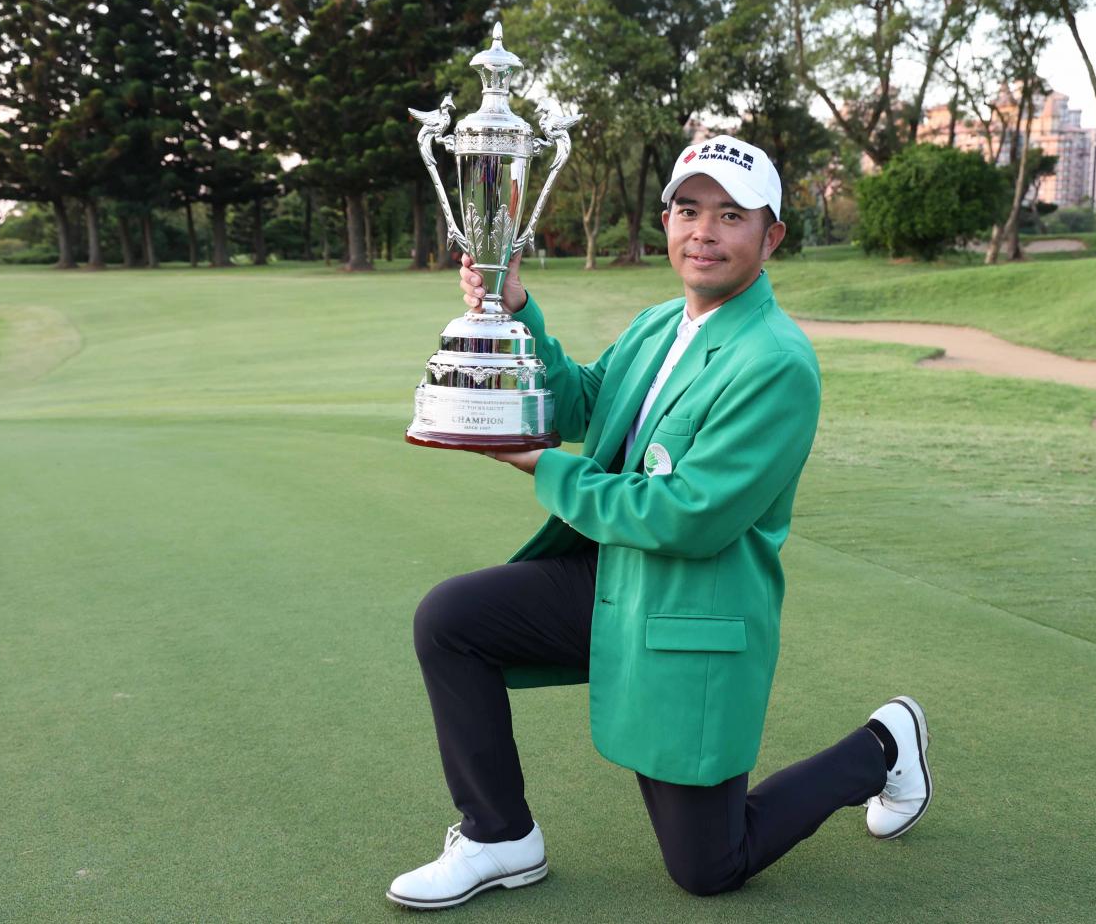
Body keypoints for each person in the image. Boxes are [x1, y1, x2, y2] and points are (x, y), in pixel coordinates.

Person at [387, 135, 933, 910]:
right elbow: (581, 403)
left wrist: (540, 465)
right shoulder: (656, 325)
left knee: (709, 867)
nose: (703, 232)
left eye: (730, 216)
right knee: (451, 619)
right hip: (612, 578)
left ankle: (883, 745)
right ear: (668, 222)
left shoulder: (776, 362)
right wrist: (517, 311)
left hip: (690, 608)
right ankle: (498, 835)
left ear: (771, 236)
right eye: (688, 210)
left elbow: (689, 519)